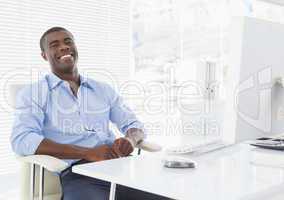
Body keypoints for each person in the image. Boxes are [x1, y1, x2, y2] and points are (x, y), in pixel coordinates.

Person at [11, 27, 171, 200]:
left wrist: (130, 140)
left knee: (170, 193)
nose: (64, 47)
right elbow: (22, 139)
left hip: (120, 166)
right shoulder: (34, 93)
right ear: (44, 55)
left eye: (68, 41)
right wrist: (86, 153)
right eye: (54, 44)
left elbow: (134, 125)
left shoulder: (103, 89)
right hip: (80, 174)